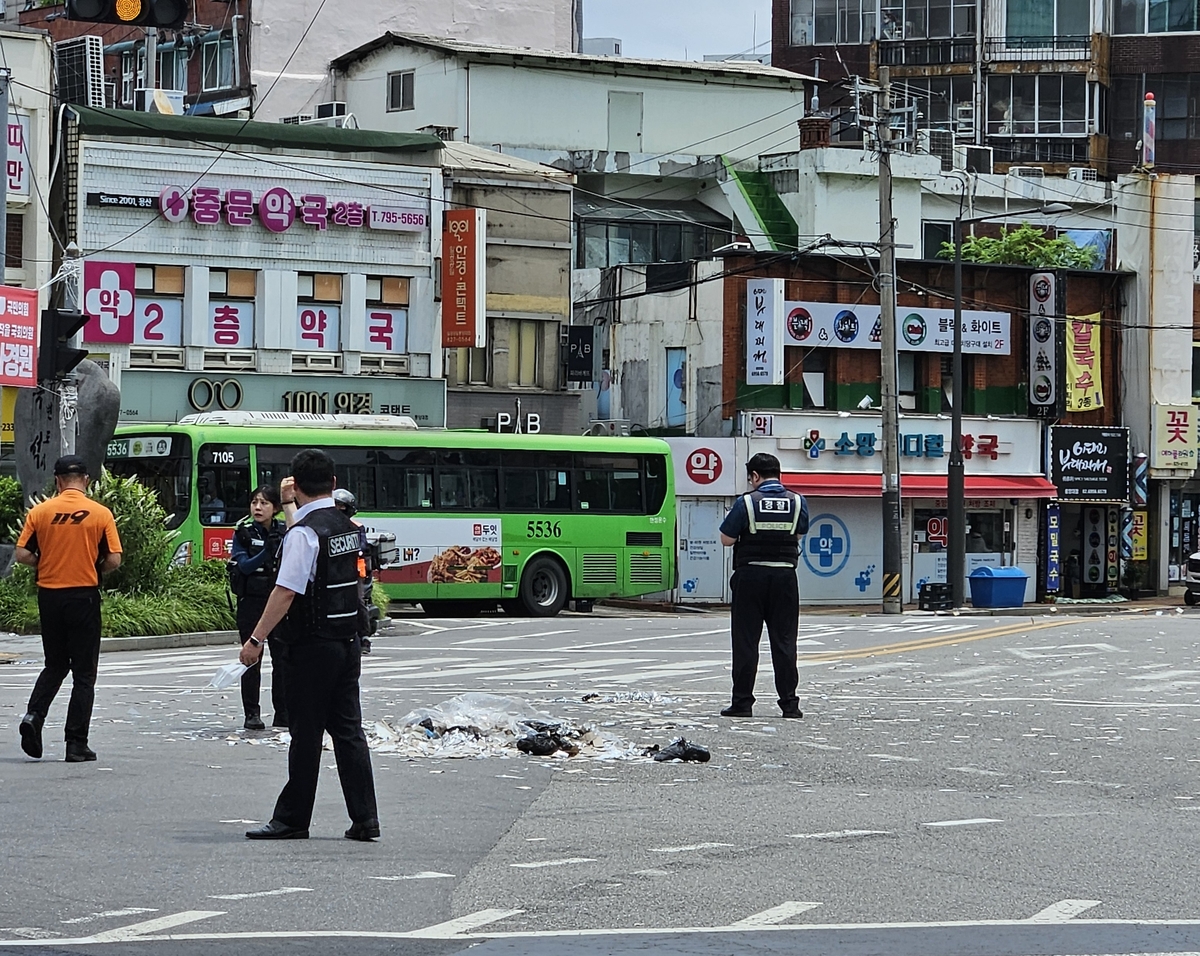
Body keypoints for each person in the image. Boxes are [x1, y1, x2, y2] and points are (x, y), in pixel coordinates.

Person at [241, 449, 379, 841]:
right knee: (349, 730)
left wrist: (256, 638)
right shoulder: (347, 527)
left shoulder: (304, 533)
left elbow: (286, 590)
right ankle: (365, 818)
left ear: (295, 486)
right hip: (347, 639)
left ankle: (292, 818)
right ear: (333, 485)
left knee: (306, 734)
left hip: (310, 644)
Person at [16, 455, 123, 762]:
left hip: (49, 596)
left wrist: (45, 563)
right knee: (84, 674)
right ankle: (76, 743)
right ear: (86, 480)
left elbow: (23, 553)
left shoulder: (40, 512)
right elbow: (114, 559)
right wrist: (95, 567)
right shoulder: (100, 514)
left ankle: (34, 716)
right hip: (84, 596)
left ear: (58, 481)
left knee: (55, 664)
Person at [718, 452, 809, 720]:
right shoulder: (797, 501)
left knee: (746, 642)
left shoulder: (746, 502)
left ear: (755, 476)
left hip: (750, 578)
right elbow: (799, 533)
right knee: (784, 642)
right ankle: (790, 705)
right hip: (784, 579)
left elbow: (726, 539)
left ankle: (742, 703)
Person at [229, 485, 288, 730]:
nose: (258, 507)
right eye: (254, 502)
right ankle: (251, 713)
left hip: (277, 601)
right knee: (251, 659)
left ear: (275, 508)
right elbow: (244, 566)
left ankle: (283, 713)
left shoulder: (285, 531)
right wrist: (266, 551)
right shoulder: (243, 533)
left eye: (264, 503)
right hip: (251, 601)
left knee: (283, 660)